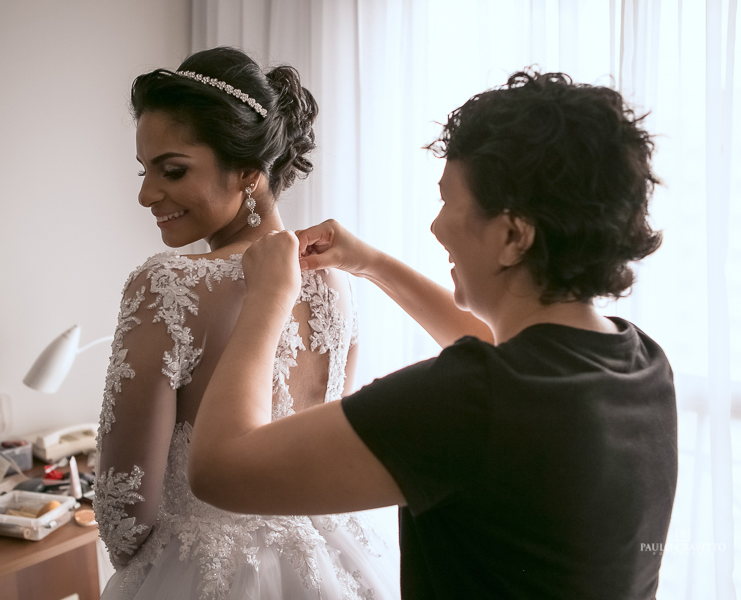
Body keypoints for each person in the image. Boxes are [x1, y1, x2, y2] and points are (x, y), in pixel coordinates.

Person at [188, 71, 678, 599]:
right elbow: (513, 360)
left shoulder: (468, 400)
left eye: (447, 202)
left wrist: (268, 299)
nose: (436, 227)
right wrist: (372, 264)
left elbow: (219, 469)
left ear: (512, 235)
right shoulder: (640, 362)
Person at [93, 46, 399, 600]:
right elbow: (326, 452)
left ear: (249, 173)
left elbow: (124, 510)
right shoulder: (337, 280)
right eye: (145, 171)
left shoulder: (168, 285)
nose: (145, 194)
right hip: (336, 567)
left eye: (173, 170)